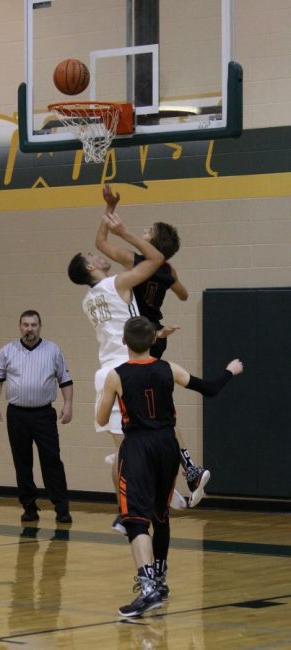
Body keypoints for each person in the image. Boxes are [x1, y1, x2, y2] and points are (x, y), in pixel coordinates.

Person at [97, 315, 244, 617]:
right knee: (160, 516)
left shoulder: (116, 375)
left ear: (124, 341)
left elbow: (100, 419)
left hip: (137, 446)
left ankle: (148, 586)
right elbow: (210, 389)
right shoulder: (168, 368)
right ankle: (160, 581)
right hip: (168, 445)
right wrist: (229, 371)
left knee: (135, 520)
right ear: (153, 341)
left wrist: (111, 399)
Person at [67, 199, 183, 529]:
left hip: (108, 370)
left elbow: (123, 325)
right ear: (89, 268)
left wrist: (108, 209)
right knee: (148, 432)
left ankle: (129, 507)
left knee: (125, 446)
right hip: (126, 370)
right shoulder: (117, 284)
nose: (96, 255)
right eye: (91, 257)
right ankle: (170, 481)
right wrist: (126, 232)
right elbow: (157, 260)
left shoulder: (89, 300)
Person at [97, 184, 210, 509]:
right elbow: (185, 295)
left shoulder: (136, 261)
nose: (142, 232)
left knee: (150, 416)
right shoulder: (167, 269)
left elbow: (101, 244)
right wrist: (170, 280)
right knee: (157, 411)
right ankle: (185, 468)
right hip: (154, 336)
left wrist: (111, 214)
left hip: (141, 340)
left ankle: (159, 469)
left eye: (148, 231)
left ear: (151, 242)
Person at [0, 310, 73, 524]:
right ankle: (29, 507)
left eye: (33, 325)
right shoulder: (7, 351)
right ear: (20, 327)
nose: (29, 329)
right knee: (22, 461)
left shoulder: (53, 350)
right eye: (25, 325)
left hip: (44, 413)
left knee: (52, 460)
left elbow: (65, 380)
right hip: (17, 414)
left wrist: (68, 405)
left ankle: (61, 508)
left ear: (40, 326)